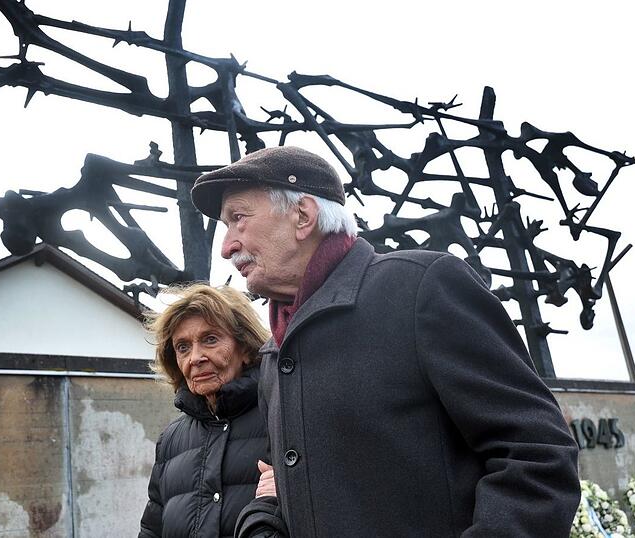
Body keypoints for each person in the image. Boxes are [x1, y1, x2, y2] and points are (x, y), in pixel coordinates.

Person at [190, 146, 580, 537]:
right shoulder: (274, 352)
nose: (226, 246)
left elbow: (538, 455)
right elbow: (283, 480)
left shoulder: (420, 288)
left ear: (303, 215)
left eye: (237, 219)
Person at [139, 284, 272, 538]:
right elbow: (151, 531)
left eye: (210, 339)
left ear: (245, 348)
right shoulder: (171, 440)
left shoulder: (281, 418)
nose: (195, 358)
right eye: (183, 347)